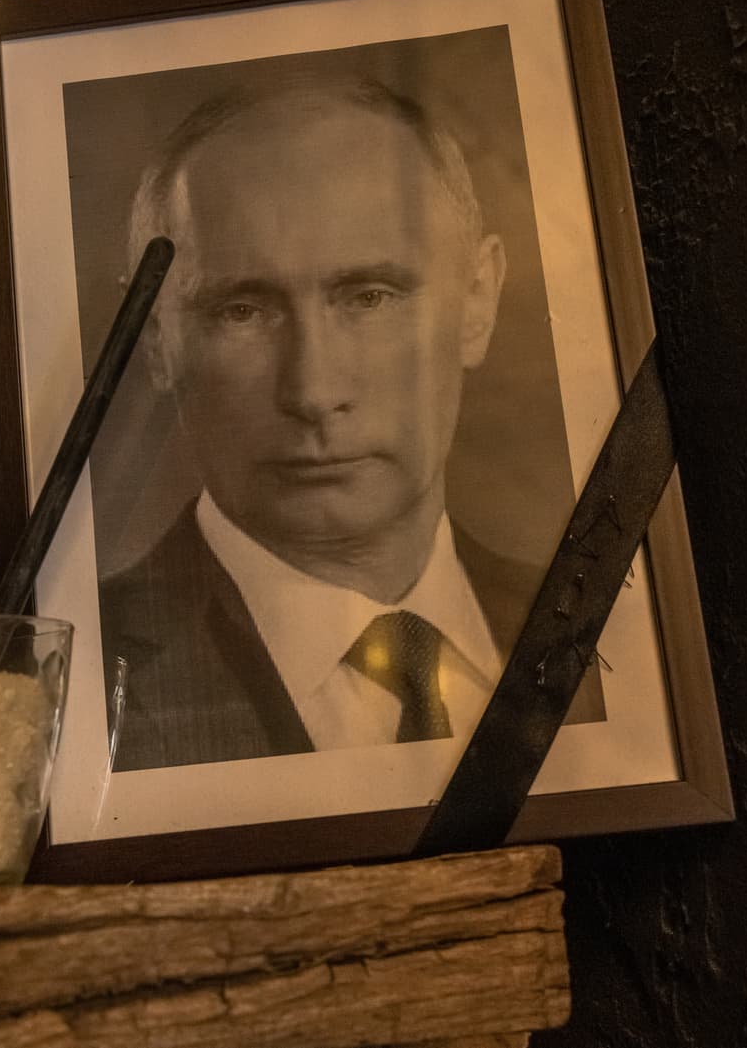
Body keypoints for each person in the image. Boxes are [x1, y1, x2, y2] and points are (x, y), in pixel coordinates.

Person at [99, 74, 603, 772]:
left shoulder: (606, 637)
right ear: (152, 336)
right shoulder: (75, 678)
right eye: (243, 311)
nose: (313, 391)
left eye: (370, 297)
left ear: (478, 299)